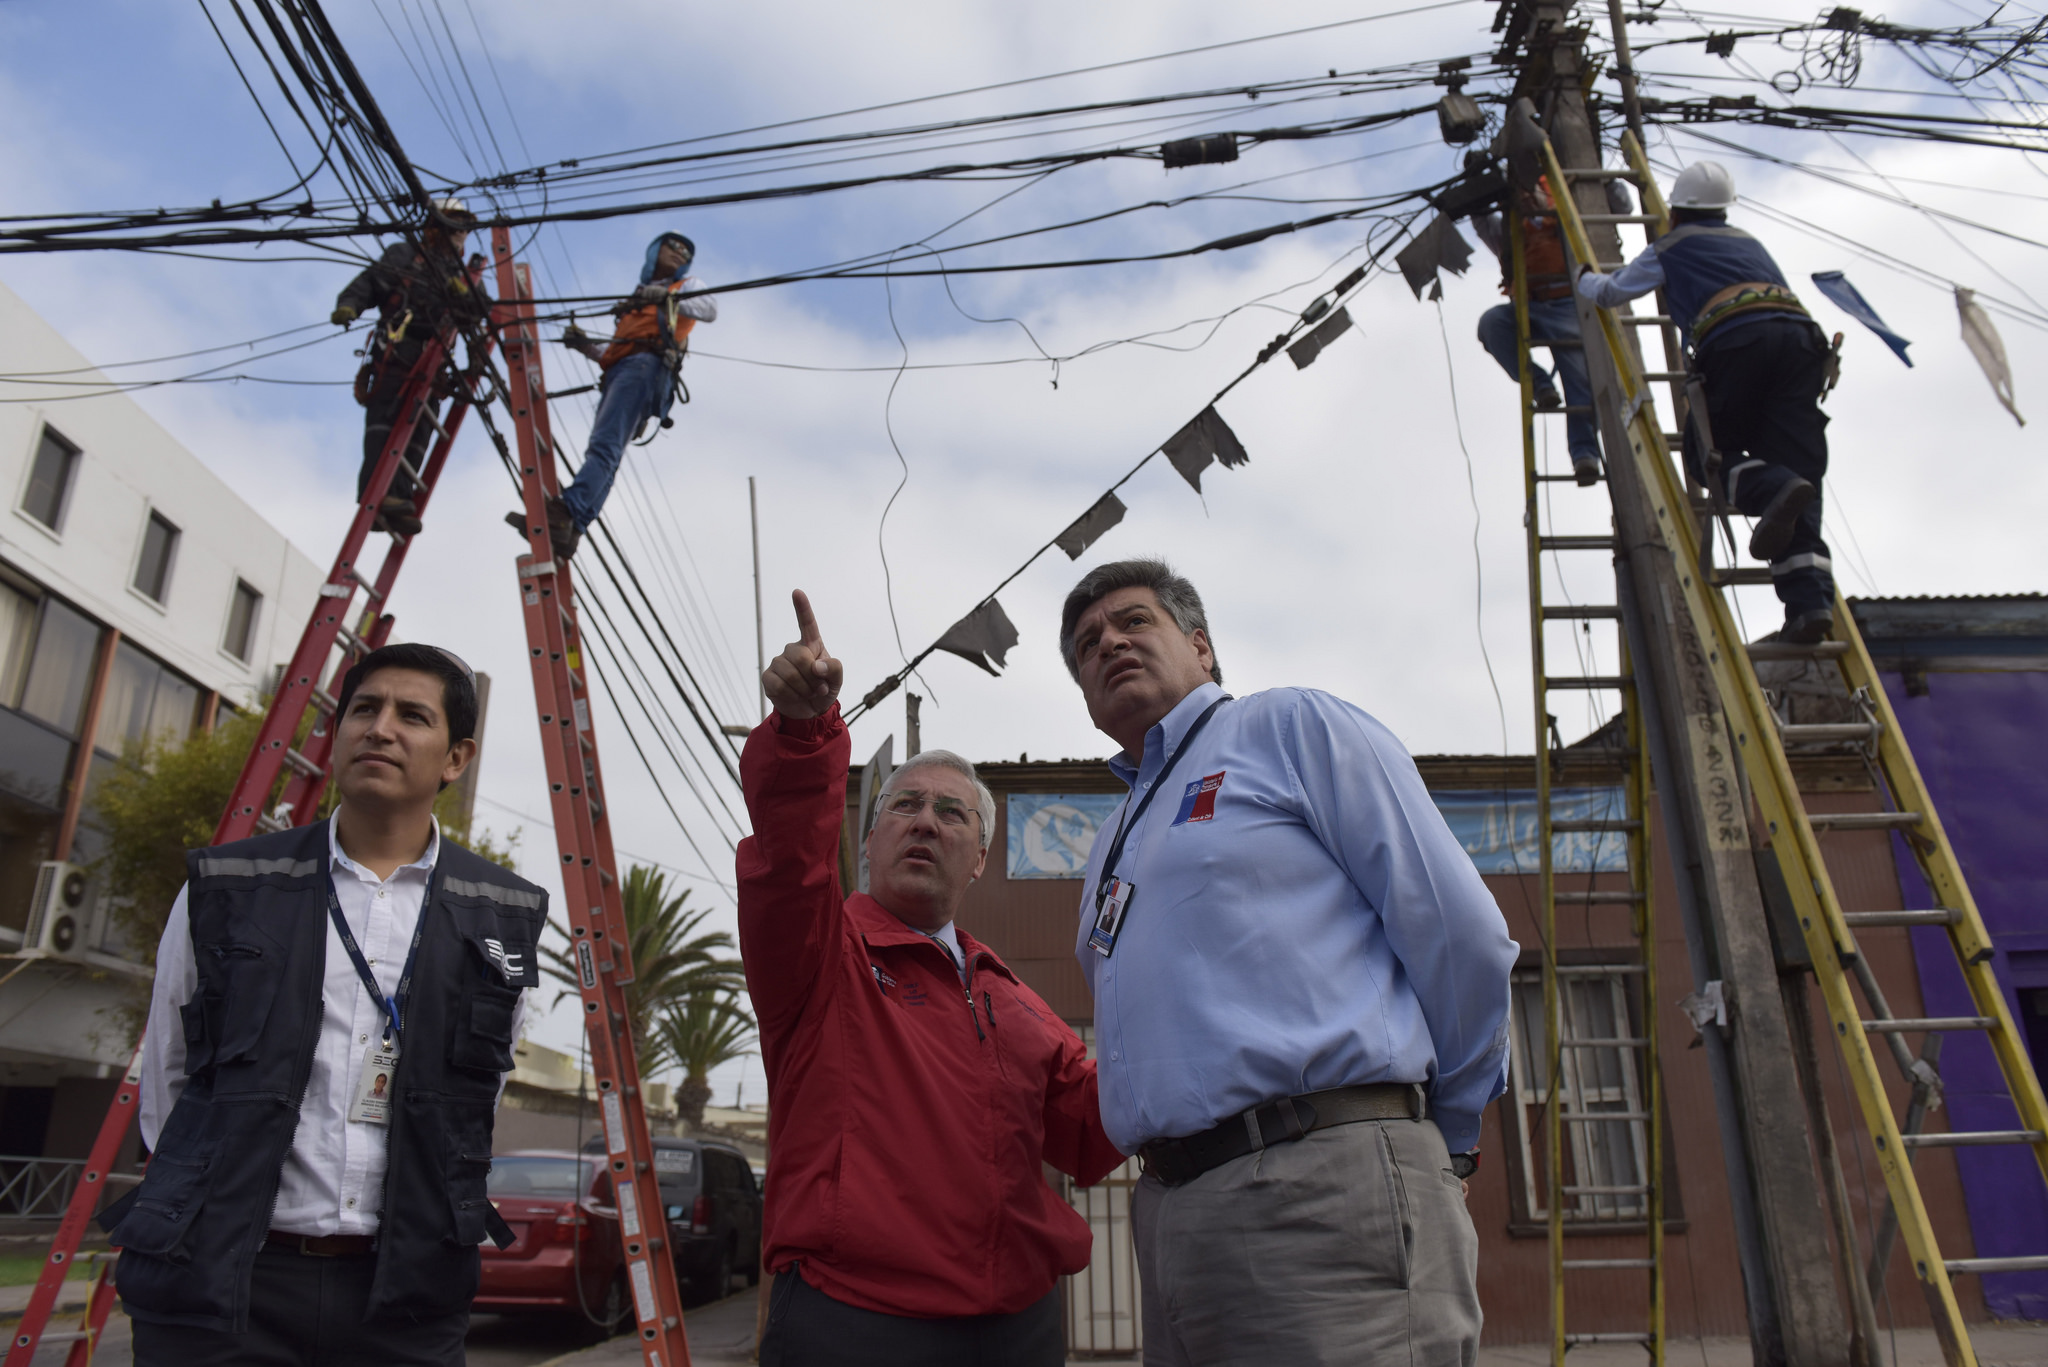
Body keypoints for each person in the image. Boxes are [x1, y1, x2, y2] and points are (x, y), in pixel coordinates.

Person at [1058, 558, 1518, 1366]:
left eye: (1135, 620)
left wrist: (1446, 1132)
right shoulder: (1112, 841)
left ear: (1201, 646)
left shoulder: (1290, 727)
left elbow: (1461, 934)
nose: (1110, 642)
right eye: (1088, 642)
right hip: (1170, 1216)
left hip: (1324, 1187)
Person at [107, 643, 544, 1366]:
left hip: (404, 1302)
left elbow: (477, 1099)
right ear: (337, 733)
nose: (381, 728)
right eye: (364, 709)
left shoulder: (500, 916)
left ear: (456, 758)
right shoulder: (227, 889)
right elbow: (170, 1081)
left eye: (412, 715)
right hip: (220, 1293)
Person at [739, 590, 1124, 1367]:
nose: (925, 821)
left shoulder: (1010, 996)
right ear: (871, 838)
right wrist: (810, 732)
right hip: (856, 1320)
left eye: (953, 814)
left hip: (1020, 1327)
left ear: (979, 857)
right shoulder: (821, 954)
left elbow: (1094, 1128)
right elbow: (786, 859)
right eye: (906, 805)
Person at [1578, 160, 1837, 643]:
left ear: (1674, 210)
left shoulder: (1671, 245)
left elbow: (1614, 292)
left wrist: (1583, 279)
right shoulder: (1748, 242)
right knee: (1802, 470)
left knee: (1706, 457)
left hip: (1738, 340)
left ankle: (1770, 488)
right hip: (1803, 342)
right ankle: (1809, 604)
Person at [509, 231, 717, 559]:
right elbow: (618, 351)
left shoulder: (685, 287)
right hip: (628, 370)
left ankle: (567, 513)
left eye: (686, 253)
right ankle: (572, 527)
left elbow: (709, 308)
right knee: (609, 451)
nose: (680, 254)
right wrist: (586, 346)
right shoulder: (641, 300)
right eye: (673, 247)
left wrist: (664, 298)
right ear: (655, 252)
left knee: (604, 448)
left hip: (644, 370)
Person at [332, 199, 489, 537]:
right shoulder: (405, 256)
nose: (461, 233)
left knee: (419, 431)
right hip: (398, 349)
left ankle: (399, 499)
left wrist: (463, 295)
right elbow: (370, 283)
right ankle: (375, 496)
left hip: (434, 364)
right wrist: (349, 305)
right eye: (455, 224)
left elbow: (480, 314)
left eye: (465, 227)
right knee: (384, 423)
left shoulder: (466, 275)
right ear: (436, 225)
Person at [1475, 177, 1602, 484]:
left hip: (1569, 304)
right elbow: (1481, 222)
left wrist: (1602, 178)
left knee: (1580, 379)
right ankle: (1539, 383)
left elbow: (1618, 205)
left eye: (1532, 193)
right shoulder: (1510, 229)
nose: (1527, 199)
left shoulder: (1568, 218)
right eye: (1520, 194)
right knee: (1492, 324)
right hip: (1529, 306)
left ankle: (1584, 454)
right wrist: (1477, 181)